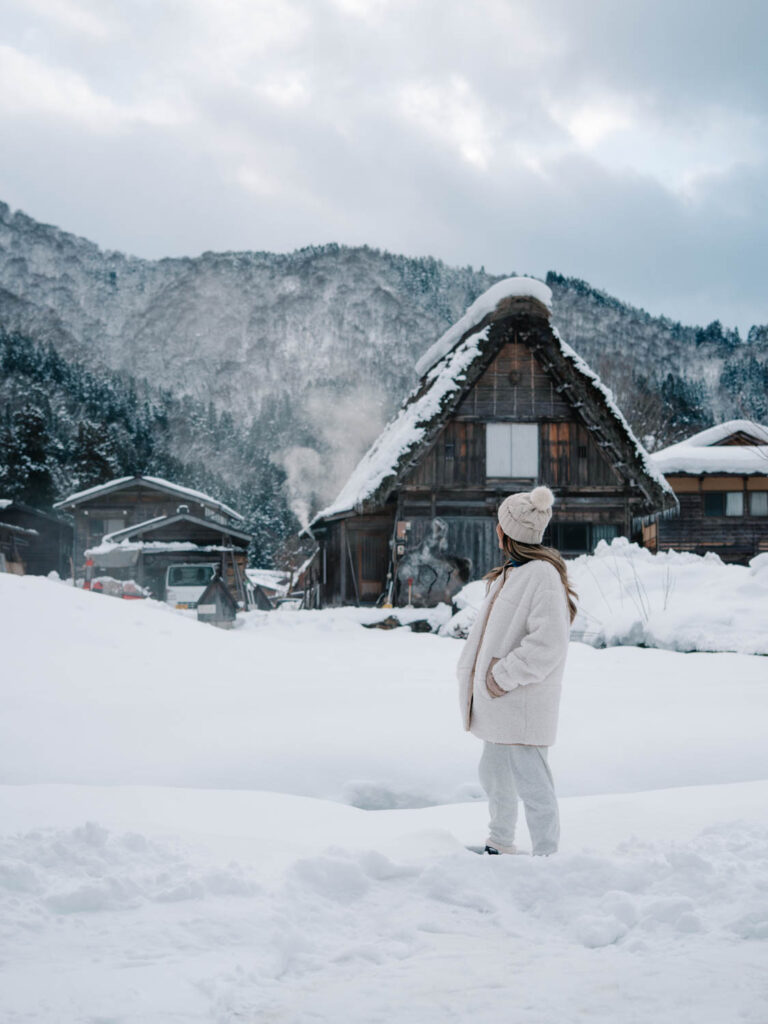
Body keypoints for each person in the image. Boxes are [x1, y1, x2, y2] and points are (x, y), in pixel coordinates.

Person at [456, 485, 577, 856]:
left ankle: (547, 855)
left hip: (519, 699)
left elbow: (548, 644)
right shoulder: (514, 572)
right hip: (500, 702)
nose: (496, 529)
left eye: (499, 524)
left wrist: (500, 676)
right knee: (494, 776)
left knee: (532, 782)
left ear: (507, 532)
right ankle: (500, 842)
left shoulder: (540, 575)